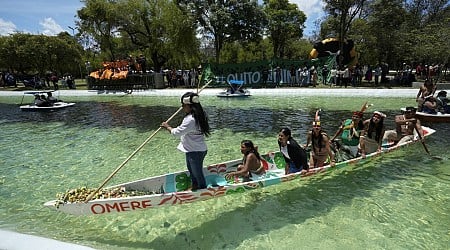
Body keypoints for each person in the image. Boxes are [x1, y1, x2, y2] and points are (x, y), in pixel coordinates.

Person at [161, 92, 210, 191]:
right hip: (193, 149)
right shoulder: (199, 115)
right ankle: (195, 186)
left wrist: (168, 127)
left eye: (183, 105)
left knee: (197, 173)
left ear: (190, 106)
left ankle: (203, 190)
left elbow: (177, 133)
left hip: (195, 151)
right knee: (191, 170)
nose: (182, 108)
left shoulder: (191, 119)